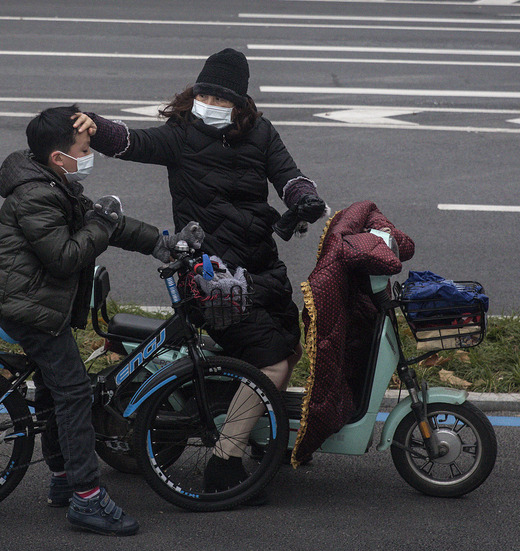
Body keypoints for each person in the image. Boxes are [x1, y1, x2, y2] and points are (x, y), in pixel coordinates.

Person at [72, 48, 328, 495]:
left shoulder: (262, 135)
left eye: (220, 97)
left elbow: (290, 177)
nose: (209, 102)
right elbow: (131, 141)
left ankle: (252, 433)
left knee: (288, 350)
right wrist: (94, 124)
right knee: (271, 362)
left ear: (240, 104)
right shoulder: (180, 135)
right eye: (203, 93)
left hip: (261, 269)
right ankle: (225, 463)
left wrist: (304, 199)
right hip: (213, 279)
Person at [0, 105, 203, 536]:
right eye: (84, 147)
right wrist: (101, 219)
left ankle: (62, 479)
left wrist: (163, 242)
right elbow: (66, 257)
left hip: (27, 297)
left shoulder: (48, 179)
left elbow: (106, 226)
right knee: (75, 393)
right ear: (60, 157)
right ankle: (86, 500)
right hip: (26, 305)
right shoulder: (38, 194)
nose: (89, 153)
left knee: (54, 386)